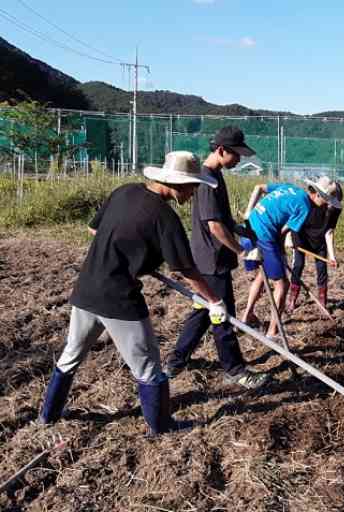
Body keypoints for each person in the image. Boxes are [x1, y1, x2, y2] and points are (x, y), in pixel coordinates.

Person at [39, 151, 229, 436]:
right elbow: (185, 270)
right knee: (149, 366)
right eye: (193, 186)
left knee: (71, 355)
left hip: (87, 289)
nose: (194, 192)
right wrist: (215, 301)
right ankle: (161, 426)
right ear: (176, 184)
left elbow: (94, 230)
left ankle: (48, 415)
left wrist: (133, 255)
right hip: (119, 300)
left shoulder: (124, 192)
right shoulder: (165, 218)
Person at [165, 127, 268, 389]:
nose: (239, 160)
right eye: (236, 155)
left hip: (209, 259)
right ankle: (234, 370)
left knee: (202, 312)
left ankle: (176, 361)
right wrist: (241, 251)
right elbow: (214, 226)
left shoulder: (215, 176)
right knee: (223, 315)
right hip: (211, 260)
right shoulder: (207, 180)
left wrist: (241, 230)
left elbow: (223, 219)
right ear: (221, 150)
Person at [238, 177, 340, 338]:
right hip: (264, 235)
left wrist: (248, 213)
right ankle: (273, 330)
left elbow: (259, 187)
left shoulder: (290, 188)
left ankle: (246, 316)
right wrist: (280, 254)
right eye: (326, 199)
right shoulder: (305, 208)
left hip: (248, 228)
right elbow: (281, 233)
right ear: (318, 195)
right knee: (282, 284)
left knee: (261, 274)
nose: (327, 204)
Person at [286, 177, 344, 311]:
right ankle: (292, 300)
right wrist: (288, 238)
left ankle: (323, 302)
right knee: (298, 265)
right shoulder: (309, 202)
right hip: (301, 237)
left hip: (319, 241)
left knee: (322, 269)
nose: (331, 204)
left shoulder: (335, 210)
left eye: (334, 202)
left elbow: (329, 232)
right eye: (329, 200)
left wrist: (332, 256)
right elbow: (291, 220)